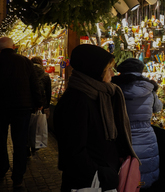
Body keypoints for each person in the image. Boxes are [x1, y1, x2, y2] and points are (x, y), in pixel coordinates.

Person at [54, 44, 139, 192]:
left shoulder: (100, 94)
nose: (112, 74)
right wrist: (103, 174)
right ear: (95, 71)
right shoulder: (76, 101)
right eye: (108, 69)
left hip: (102, 179)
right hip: (88, 183)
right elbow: (73, 153)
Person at [112, 58, 163, 189]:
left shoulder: (114, 88)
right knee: (144, 172)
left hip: (122, 136)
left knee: (125, 175)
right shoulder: (149, 89)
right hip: (146, 135)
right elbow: (157, 108)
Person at [0, 37, 43, 191]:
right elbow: (34, 84)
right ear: (13, 46)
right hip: (22, 107)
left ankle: (2, 167)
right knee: (19, 142)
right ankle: (18, 177)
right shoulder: (25, 61)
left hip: (1, 107)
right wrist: (39, 102)